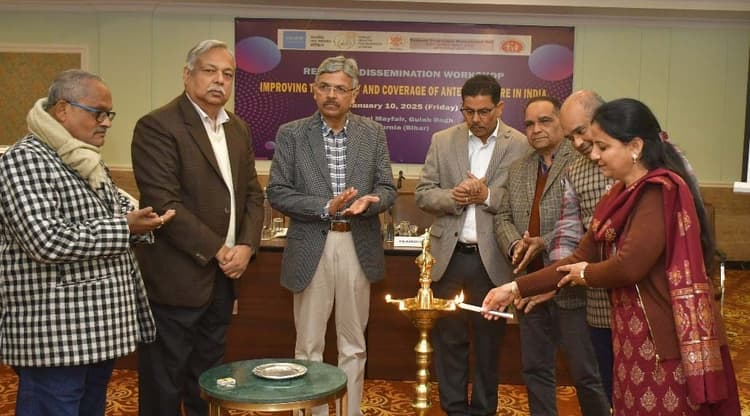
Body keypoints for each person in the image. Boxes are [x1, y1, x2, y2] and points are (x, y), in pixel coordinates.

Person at [483, 98, 741, 415]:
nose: (593, 155)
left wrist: (584, 274)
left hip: (663, 336)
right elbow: (577, 256)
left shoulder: (658, 190)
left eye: (602, 147)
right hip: (629, 334)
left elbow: (629, 266)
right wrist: (514, 288)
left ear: (635, 147)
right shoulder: (617, 195)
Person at [0, 69, 172, 415]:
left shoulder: (84, 158)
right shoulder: (25, 159)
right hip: (54, 335)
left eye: (109, 114)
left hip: (95, 331)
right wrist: (124, 227)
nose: (106, 122)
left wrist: (143, 220)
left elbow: (119, 209)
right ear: (62, 110)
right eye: (98, 113)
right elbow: (45, 240)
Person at [131, 39, 264, 416]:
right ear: (187, 75)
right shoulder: (158, 126)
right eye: (210, 71)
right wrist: (219, 250)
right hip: (176, 279)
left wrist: (246, 246)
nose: (220, 80)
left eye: (228, 74)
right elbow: (164, 203)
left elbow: (253, 194)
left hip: (222, 280)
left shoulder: (238, 128)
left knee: (209, 381)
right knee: (164, 384)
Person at [266, 55, 396, 416]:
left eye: (340, 89)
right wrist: (325, 206)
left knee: (353, 344)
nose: (331, 95)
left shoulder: (373, 133)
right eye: (324, 87)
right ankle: (312, 412)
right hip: (311, 243)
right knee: (308, 344)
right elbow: (277, 192)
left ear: (355, 94)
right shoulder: (292, 133)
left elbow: (387, 187)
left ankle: (349, 411)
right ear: (313, 90)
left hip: (357, 242)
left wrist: (370, 202)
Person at [414, 74, 529, 415]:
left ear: (500, 108)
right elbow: (423, 194)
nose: (475, 119)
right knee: (448, 342)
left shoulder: (520, 144)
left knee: (488, 346)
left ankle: (482, 410)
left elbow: (523, 202)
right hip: (448, 259)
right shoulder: (442, 140)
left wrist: (487, 195)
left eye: (484, 111)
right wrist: (454, 197)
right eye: (468, 111)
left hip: (491, 261)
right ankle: (454, 410)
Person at [494, 96, 609, 415]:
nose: (536, 129)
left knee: (587, 373)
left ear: (563, 123)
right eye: (529, 124)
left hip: (572, 287)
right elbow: (502, 216)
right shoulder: (518, 168)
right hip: (529, 283)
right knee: (535, 369)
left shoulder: (587, 160)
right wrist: (515, 244)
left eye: (545, 121)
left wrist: (544, 242)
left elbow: (587, 227)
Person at [554, 90, 616, 405]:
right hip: (600, 304)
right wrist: (552, 278)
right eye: (570, 137)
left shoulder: (648, 158)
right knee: (609, 388)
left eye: (581, 131)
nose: (577, 143)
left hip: (646, 301)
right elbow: (567, 235)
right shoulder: (574, 171)